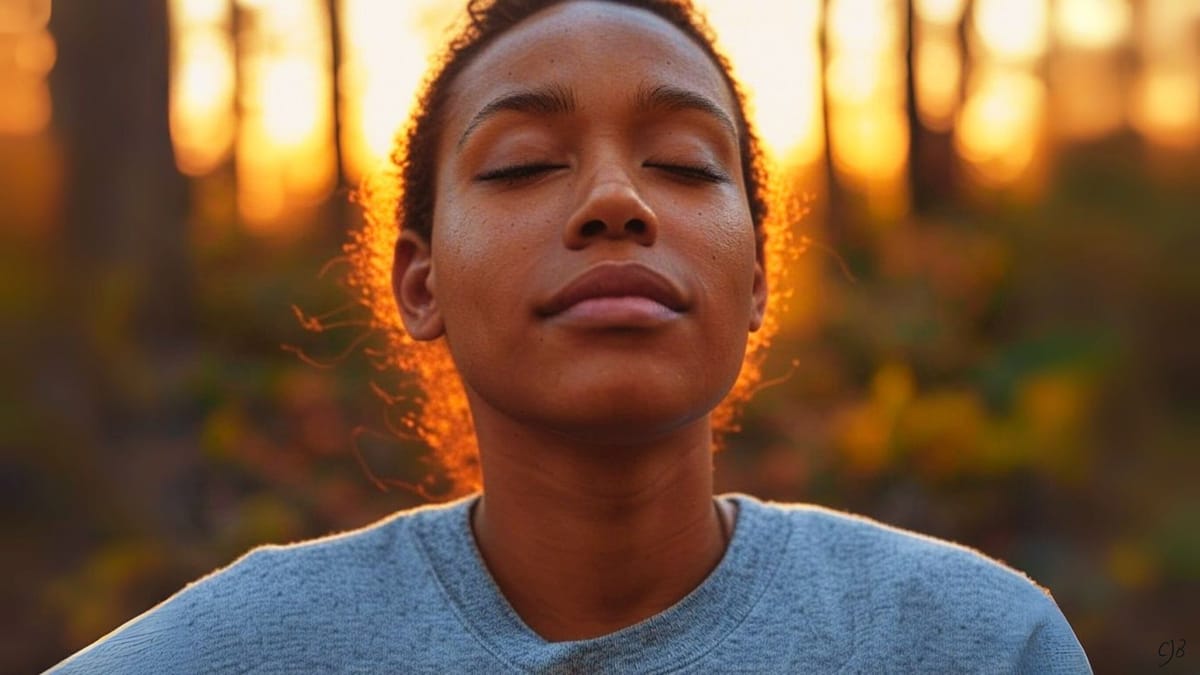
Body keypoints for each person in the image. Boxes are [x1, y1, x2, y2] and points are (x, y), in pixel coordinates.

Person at [52, 0, 1092, 672]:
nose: (614, 202)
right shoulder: (249, 646)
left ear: (760, 281)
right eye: (520, 165)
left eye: (685, 164)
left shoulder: (970, 642)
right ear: (421, 284)